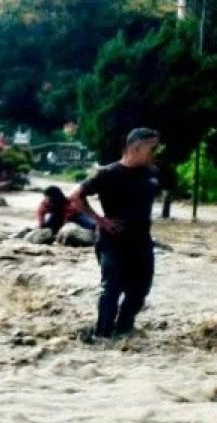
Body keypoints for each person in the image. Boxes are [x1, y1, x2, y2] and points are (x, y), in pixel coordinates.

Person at [69, 127, 162, 339]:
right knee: (112, 289)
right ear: (136, 148)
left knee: (140, 291)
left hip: (141, 241)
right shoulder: (108, 174)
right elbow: (75, 195)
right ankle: (102, 335)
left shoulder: (152, 172)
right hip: (114, 241)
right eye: (152, 148)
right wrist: (99, 220)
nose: (155, 153)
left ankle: (124, 328)